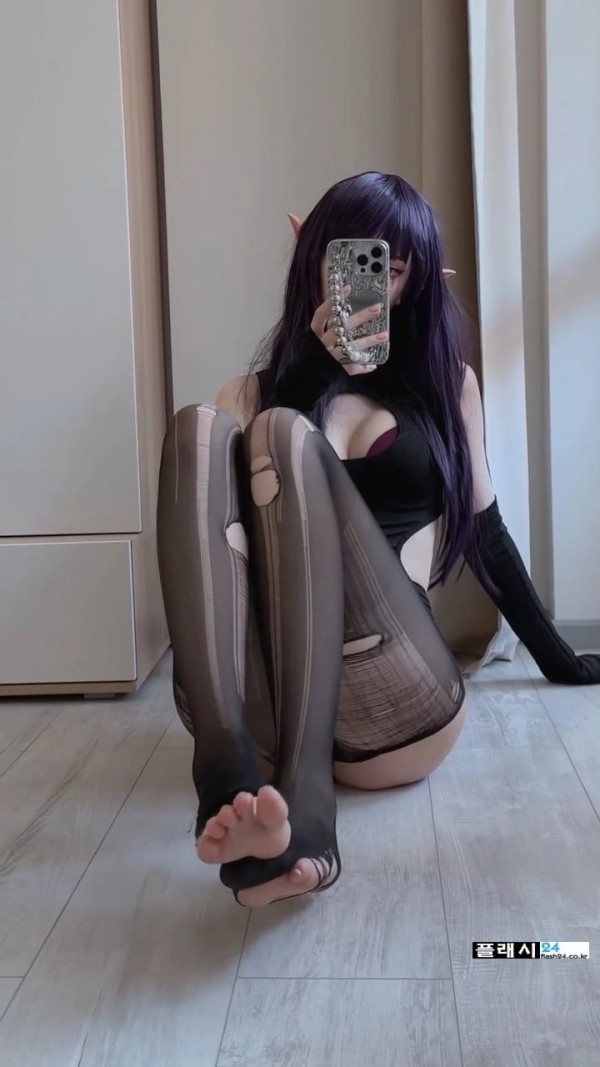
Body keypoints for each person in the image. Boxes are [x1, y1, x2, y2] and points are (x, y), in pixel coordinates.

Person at [156, 171, 600, 909]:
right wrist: (310, 371)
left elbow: (485, 534)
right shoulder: (250, 393)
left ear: (417, 280)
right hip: (270, 715)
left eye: (391, 270)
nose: (368, 285)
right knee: (199, 429)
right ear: (313, 259)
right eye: (352, 261)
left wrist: (562, 659)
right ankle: (226, 772)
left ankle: (308, 819)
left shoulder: (448, 384)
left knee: (280, 434)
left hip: (392, 694)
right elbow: (239, 547)